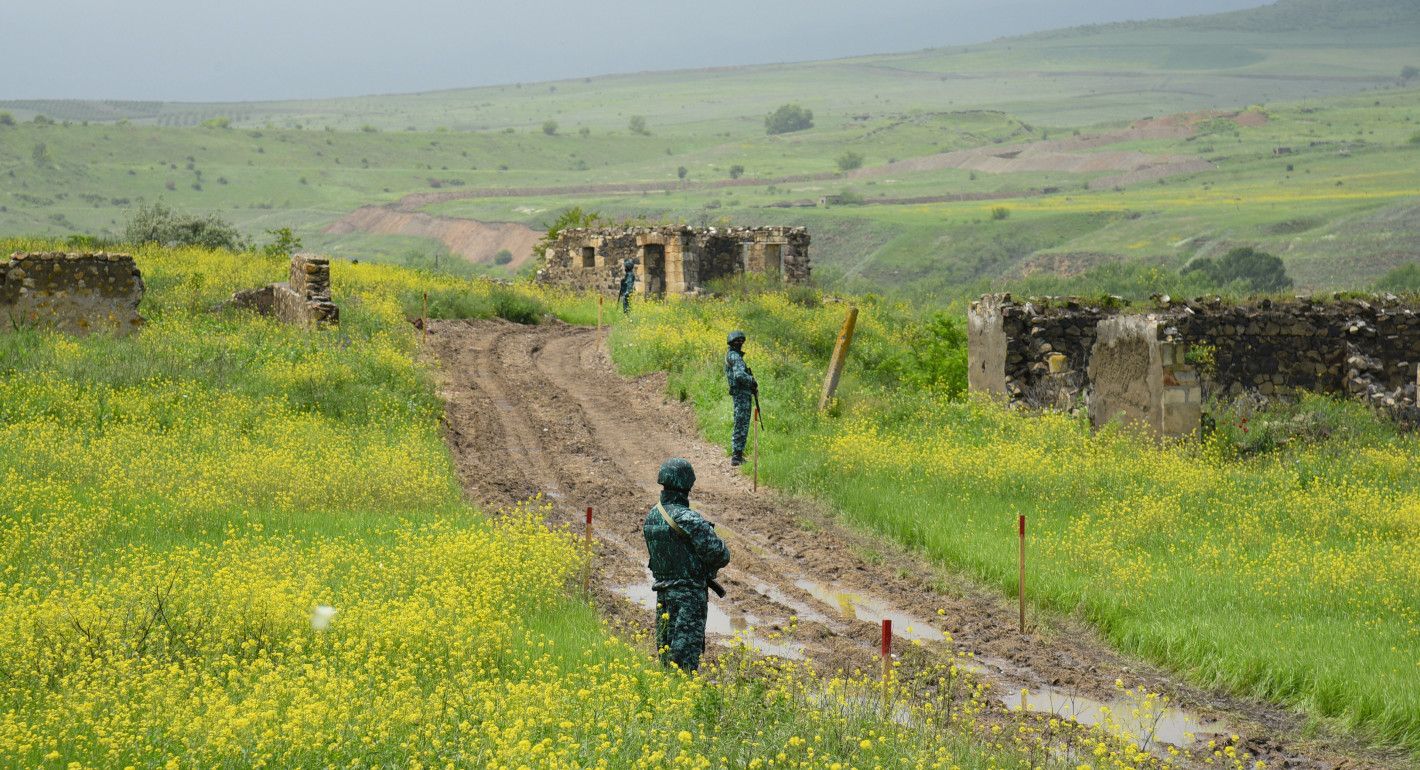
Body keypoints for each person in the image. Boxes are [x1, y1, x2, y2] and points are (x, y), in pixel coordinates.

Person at [642, 458, 730, 673]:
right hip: (689, 598)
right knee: (684, 662)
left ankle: (667, 695)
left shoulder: (652, 516)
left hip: (663, 595)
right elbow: (720, 554)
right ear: (687, 483)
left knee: (666, 656)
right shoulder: (688, 518)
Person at [724, 331, 758, 467]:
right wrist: (752, 381)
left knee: (741, 422)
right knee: (742, 423)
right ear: (732, 343)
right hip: (741, 395)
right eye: (737, 342)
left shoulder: (732, 355)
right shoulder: (735, 356)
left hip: (741, 394)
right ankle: (737, 456)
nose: (740, 344)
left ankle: (737, 454)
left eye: (741, 341)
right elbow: (739, 375)